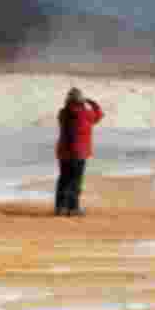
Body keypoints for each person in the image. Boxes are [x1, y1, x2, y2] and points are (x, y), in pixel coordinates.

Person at [54, 87, 103, 215]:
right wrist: (92, 102)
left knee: (64, 180)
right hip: (79, 153)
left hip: (64, 152)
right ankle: (73, 208)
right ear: (81, 100)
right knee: (75, 181)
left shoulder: (63, 113)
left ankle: (60, 208)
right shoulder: (86, 114)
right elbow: (98, 115)